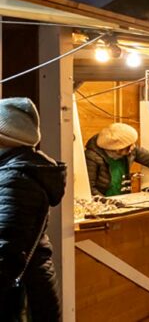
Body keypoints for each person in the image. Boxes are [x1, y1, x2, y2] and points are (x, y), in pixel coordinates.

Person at [0, 98, 66, 322]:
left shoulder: (15, 178)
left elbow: (5, 251)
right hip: (29, 287)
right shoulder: (17, 170)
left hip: (22, 298)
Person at [84, 122, 149, 196]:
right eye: (129, 145)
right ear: (117, 149)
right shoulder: (92, 156)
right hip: (104, 202)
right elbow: (89, 188)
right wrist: (107, 204)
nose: (133, 147)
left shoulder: (130, 150)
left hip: (123, 196)